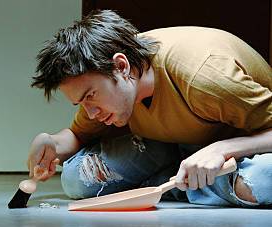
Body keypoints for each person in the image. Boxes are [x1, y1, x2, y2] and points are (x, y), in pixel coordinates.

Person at [28, 9, 272, 206]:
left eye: (90, 96)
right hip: (169, 146)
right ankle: (185, 183)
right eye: (80, 103)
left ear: (121, 66)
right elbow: (79, 135)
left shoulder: (204, 77)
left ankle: (166, 187)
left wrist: (222, 149)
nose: (90, 112)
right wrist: (53, 145)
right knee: (76, 180)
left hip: (242, 149)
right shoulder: (109, 80)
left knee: (262, 180)